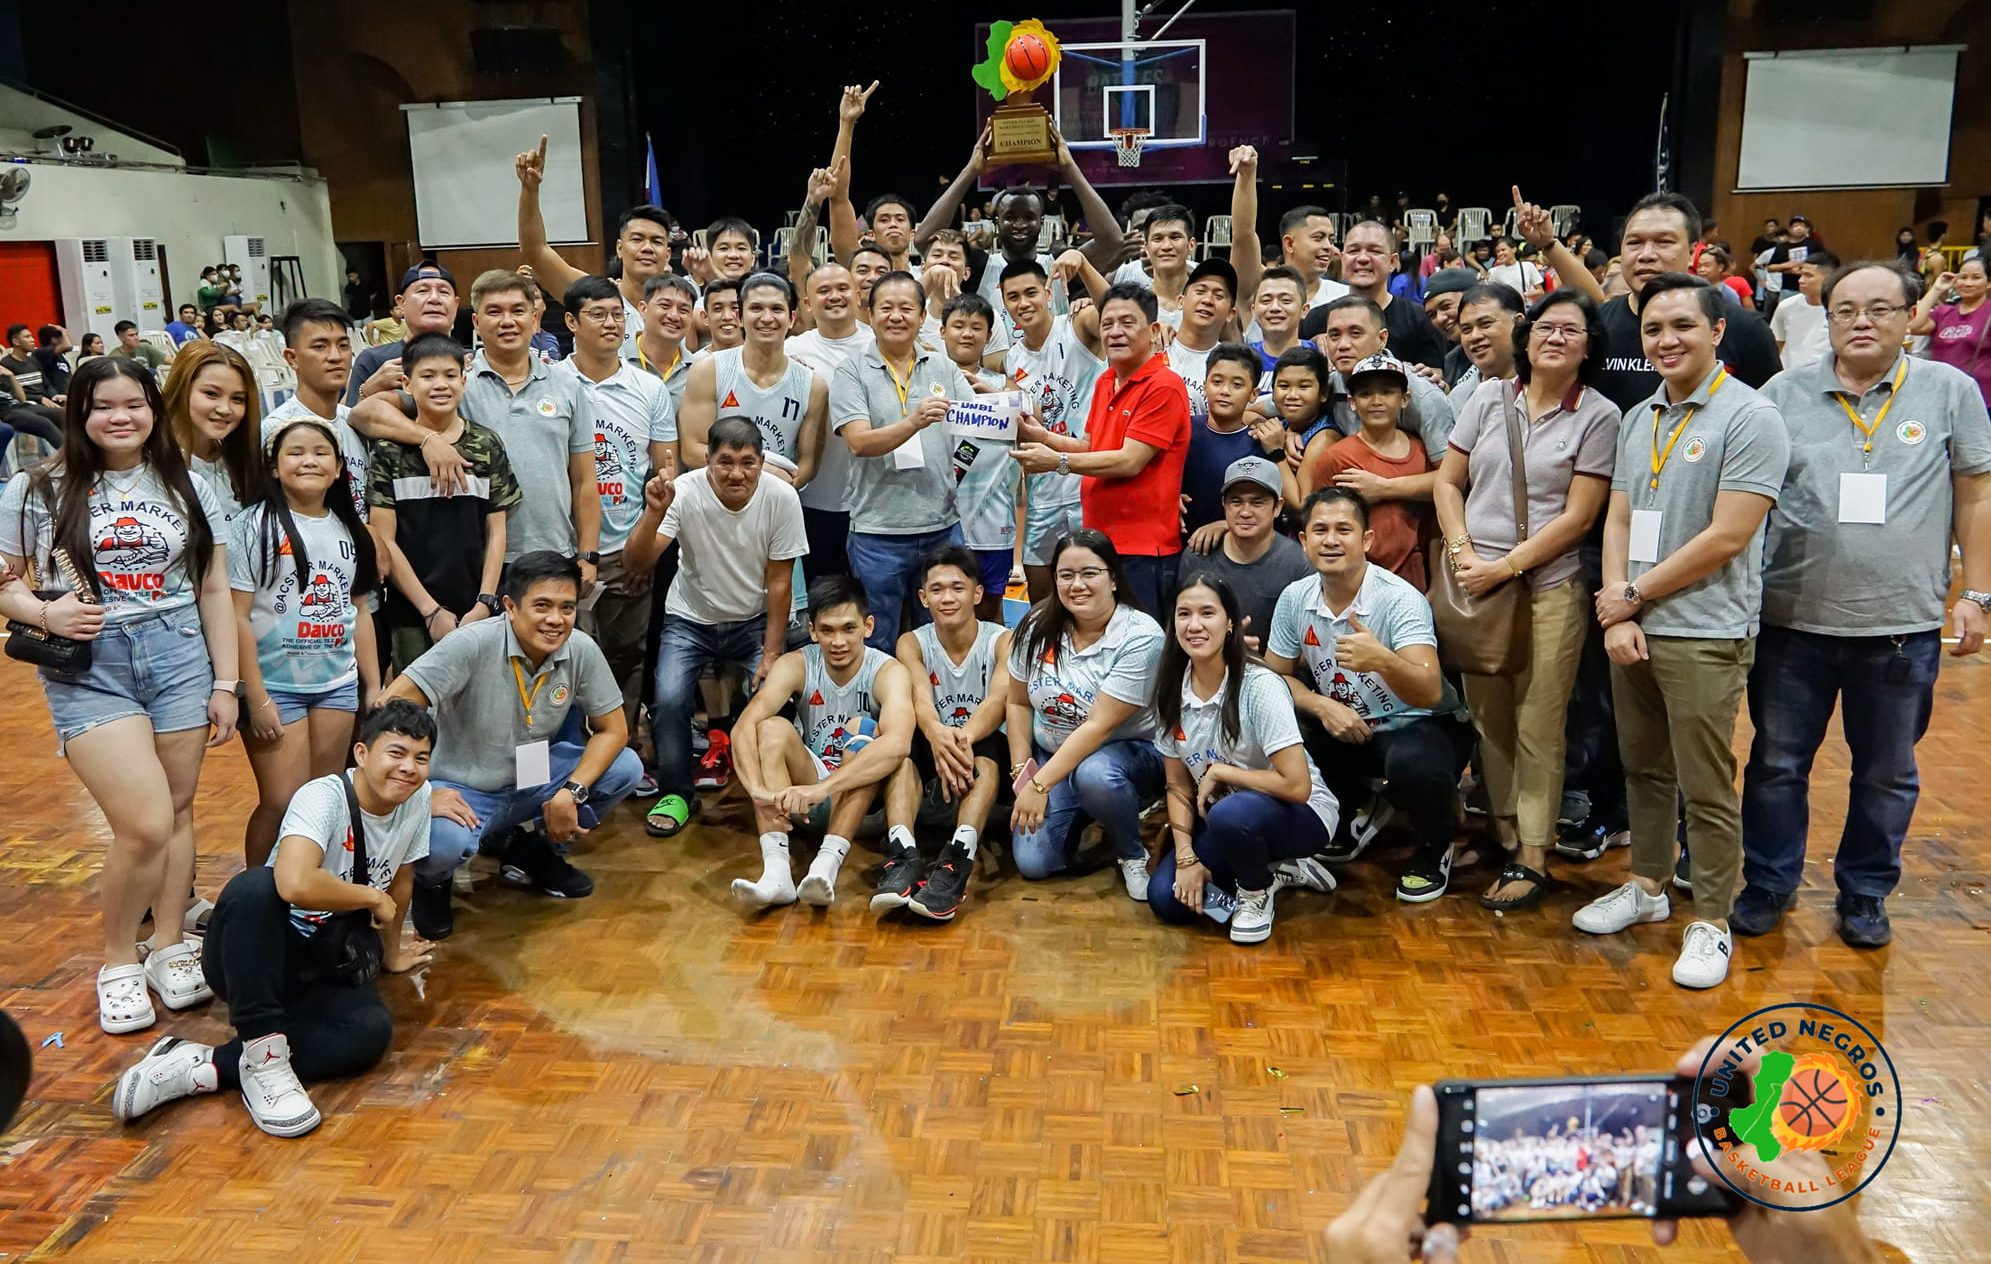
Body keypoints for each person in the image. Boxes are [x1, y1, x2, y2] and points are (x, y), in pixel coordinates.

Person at [1741, 262, 1991, 947]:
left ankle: (1864, 892)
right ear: (1826, 319)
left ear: (1911, 316)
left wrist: (1973, 592)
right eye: (1845, 309)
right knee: (1776, 764)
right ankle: (1766, 879)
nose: (1860, 321)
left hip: (1900, 629)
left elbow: (1975, 494)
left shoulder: (1948, 391)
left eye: (1879, 309)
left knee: (1885, 774)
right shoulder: (1781, 394)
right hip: (1790, 622)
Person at [0, 357, 239, 1034]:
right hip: (90, 667)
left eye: (133, 404)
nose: (120, 417)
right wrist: (45, 615)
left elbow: (214, 589)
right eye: (103, 405)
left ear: (154, 411)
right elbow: (4, 583)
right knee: (144, 822)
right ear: (78, 413)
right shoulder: (35, 487)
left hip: (178, 654)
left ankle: (167, 944)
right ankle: (117, 961)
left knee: (181, 808)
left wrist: (225, 683)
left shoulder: (187, 482)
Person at [108, 700, 445, 1138]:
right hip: (253, 955)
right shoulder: (322, 796)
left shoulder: (418, 799)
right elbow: (294, 883)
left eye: (420, 758)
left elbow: (402, 881)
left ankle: (204, 1065)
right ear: (361, 754)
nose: (409, 768)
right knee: (256, 888)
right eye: (396, 753)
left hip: (323, 962)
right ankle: (265, 1056)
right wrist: (368, 897)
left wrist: (392, 955)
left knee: (369, 1034)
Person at [1586, 274, 1790, 990]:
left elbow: (1727, 536)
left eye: (1681, 326)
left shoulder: (1749, 416)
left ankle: (1709, 919)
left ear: (1715, 331)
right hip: (1632, 621)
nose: (1665, 340)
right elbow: (1615, 516)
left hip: (1702, 629)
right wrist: (1616, 600)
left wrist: (1632, 594)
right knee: (1643, 769)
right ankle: (1645, 887)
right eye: (1651, 329)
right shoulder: (1640, 414)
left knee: (1704, 784)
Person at [1432, 289, 1621, 910]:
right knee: (1488, 716)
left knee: (1540, 722)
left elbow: (1580, 515)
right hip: (1476, 585)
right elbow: (1448, 481)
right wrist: (1463, 553)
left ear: (1589, 346)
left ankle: (1534, 854)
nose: (1555, 337)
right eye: (1545, 325)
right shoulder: (1488, 396)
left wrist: (1506, 566)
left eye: (1571, 329)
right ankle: (1504, 832)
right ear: (1526, 334)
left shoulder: (1598, 415)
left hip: (1547, 586)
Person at [382, 551, 643, 939]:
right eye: (542, 606)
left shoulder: (581, 649)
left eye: (567, 608)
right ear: (509, 606)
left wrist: (571, 792)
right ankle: (433, 883)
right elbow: (391, 706)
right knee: (442, 844)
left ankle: (534, 850)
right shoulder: (471, 643)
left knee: (626, 768)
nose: (556, 620)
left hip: (531, 774)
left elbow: (613, 729)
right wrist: (421, 793)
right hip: (462, 785)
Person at [1266, 488, 1468, 901]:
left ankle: (1435, 846)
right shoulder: (1294, 598)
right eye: (1319, 530)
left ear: (1367, 541)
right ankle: (1356, 807)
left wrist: (1384, 660)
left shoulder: (1398, 599)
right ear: (1303, 541)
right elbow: (1272, 678)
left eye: (1344, 529)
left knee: (1412, 763)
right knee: (1286, 724)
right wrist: (1320, 704)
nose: (1331, 540)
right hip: (1349, 723)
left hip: (1421, 723)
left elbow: (1430, 692)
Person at [623, 417, 806, 838]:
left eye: (747, 462)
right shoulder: (683, 492)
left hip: (752, 620)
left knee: (773, 695)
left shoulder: (780, 497)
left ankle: (766, 787)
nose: (736, 473)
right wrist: (654, 512)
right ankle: (677, 792)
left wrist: (772, 653)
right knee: (668, 700)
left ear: (762, 462)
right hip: (690, 618)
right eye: (724, 462)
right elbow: (637, 563)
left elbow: (780, 583)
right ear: (706, 461)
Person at [360, 270, 599, 583]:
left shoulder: (567, 386)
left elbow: (584, 480)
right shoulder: (457, 383)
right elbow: (364, 413)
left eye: (517, 311)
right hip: (480, 559)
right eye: (494, 312)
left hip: (553, 552)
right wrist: (428, 439)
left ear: (534, 318)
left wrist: (588, 555)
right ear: (475, 322)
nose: (507, 321)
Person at [1146, 575, 1338, 943]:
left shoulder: (1259, 685)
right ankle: (1284, 870)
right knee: (1165, 900)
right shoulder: (1171, 686)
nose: (1195, 625)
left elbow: (1298, 786)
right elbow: (1177, 784)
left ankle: (1255, 891)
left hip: (1301, 812)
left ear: (1230, 622)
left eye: (1207, 613)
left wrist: (1223, 771)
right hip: (1226, 819)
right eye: (1184, 614)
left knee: (1232, 814)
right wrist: (1186, 857)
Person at [728, 576, 915, 910]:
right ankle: (777, 873)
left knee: (864, 729)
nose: (838, 641)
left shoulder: (888, 671)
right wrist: (756, 789)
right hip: (807, 798)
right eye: (827, 631)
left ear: (868, 626)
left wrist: (825, 788)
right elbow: (743, 727)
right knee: (770, 727)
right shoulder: (795, 663)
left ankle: (826, 866)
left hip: (863, 804)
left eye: (848, 628)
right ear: (812, 631)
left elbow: (899, 744)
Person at [1012, 283, 1191, 619]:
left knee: (1142, 648)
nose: (1115, 332)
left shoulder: (1165, 385)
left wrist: (1057, 462)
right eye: (1107, 324)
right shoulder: (1106, 380)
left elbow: (1129, 461)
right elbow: (1092, 446)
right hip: (1099, 544)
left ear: (1153, 331)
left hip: (1144, 551)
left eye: (1127, 323)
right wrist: (1045, 437)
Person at [1004, 529, 1166, 897]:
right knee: (1033, 864)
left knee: (1096, 775)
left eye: (1090, 573)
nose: (1077, 585)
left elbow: (1098, 726)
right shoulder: (1035, 624)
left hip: (1127, 754)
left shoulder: (1141, 636)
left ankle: (1131, 852)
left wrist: (1041, 784)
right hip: (1053, 755)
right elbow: (1016, 702)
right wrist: (1022, 773)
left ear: (1112, 578)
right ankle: (1093, 815)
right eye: (1066, 575)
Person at [830, 271, 977, 649]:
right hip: (878, 534)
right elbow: (859, 442)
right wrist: (913, 421)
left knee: (944, 636)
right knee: (878, 638)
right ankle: (880, 710)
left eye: (906, 308)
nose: (896, 316)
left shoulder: (942, 364)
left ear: (922, 314)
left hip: (942, 528)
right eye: (886, 308)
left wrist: (955, 469)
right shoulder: (851, 370)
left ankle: (940, 708)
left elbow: (976, 423)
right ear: (869, 313)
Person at [553, 277, 674, 734]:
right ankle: (565, 754)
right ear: (571, 321)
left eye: (617, 315)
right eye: (597, 314)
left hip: (627, 550)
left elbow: (665, 473)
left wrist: (647, 546)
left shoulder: (649, 388)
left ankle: (619, 746)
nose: (610, 324)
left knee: (627, 656)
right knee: (560, 658)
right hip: (564, 549)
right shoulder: (552, 381)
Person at [875, 547, 1013, 921]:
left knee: (987, 745)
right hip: (932, 744)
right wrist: (936, 735)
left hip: (979, 753)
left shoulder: (1001, 639)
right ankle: (903, 852)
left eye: (957, 587)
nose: (947, 598)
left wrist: (956, 741)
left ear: (977, 594)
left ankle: (959, 857)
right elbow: (919, 698)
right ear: (923, 598)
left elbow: (997, 702)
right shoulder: (912, 642)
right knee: (901, 750)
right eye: (937, 590)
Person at [365, 334, 518, 668]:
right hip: (412, 613)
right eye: (427, 375)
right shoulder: (390, 451)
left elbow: (497, 532)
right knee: (416, 713)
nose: (440, 385)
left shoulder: (486, 444)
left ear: (464, 382)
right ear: (407, 383)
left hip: (476, 608)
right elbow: (384, 539)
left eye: (450, 375)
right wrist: (429, 610)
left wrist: (484, 601)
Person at [992, 257, 1104, 602]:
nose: (1023, 304)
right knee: (1041, 594)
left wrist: (1084, 264)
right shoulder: (1012, 359)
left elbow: (1120, 310)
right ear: (1004, 302)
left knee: (1095, 588)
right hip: (1043, 493)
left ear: (1047, 291)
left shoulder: (1078, 324)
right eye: (1013, 297)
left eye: (1030, 293)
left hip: (1090, 482)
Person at [515, 132, 674, 359]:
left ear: (668, 254)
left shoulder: (681, 307)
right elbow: (535, 251)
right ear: (620, 248)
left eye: (657, 241)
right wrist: (530, 191)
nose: (647, 248)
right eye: (637, 239)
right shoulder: (591, 293)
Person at [677, 273, 827, 494]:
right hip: (711, 504)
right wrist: (762, 471)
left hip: (775, 506)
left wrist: (775, 490)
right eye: (756, 308)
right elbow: (691, 450)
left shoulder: (813, 386)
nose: (767, 318)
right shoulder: (708, 371)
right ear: (739, 317)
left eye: (776, 309)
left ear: (792, 318)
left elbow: (807, 465)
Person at [1307, 352, 1433, 589]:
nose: (1376, 400)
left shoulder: (1421, 452)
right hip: (1357, 584)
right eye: (1365, 394)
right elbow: (1318, 521)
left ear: (1405, 398)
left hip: (1417, 582)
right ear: (1352, 402)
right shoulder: (1336, 458)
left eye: (1387, 392)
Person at [785, 253, 876, 578]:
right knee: (821, 599)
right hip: (814, 499)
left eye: (842, 288)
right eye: (824, 291)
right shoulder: (791, 352)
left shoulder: (882, 345)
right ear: (808, 303)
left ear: (858, 294)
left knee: (873, 604)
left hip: (875, 502)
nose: (834, 296)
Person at [934, 291, 1021, 617]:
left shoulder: (1004, 384)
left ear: (988, 335)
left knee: (989, 609)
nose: (967, 333)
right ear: (943, 332)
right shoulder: (925, 380)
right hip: (938, 519)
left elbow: (1035, 421)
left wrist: (996, 396)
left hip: (992, 520)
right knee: (940, 607)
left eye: (976, 327)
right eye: (958, 326)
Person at [1180, 457, 1313, 650]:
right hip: (1208, 666)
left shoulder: (1298, 563)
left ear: (1277, 507)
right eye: (1236, 502)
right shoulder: (1198, 555)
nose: (1245, 512)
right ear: (1224, 505)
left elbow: (1309, 643)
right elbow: (1178, 629)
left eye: (1257, 502)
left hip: (1276, 671)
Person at [262, 299, 371, 526]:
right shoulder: (277, 429)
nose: (335, 356)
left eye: (343, 346)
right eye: (320, 346)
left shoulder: (352, 421)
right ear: (292, 358)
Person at [1300, 221, 1449, 372]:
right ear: (1343, 258)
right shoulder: (1315, 320)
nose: (1363, 258)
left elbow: (1435, 383)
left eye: (1375, 251)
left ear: (1393, 261)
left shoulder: (1419, 320)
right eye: (1353, 251)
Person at [1226, 146, 1347, 329]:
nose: (1328, 246)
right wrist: (1247, 175)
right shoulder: (1259, 285)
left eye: (1330, 239)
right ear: (1289, 243)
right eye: (1318, 237)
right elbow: (1243, 235)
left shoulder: (1345, 296)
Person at [1181, 343, 1287, 536]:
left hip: (1241, 549)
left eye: (1237, 385)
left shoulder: (1260, 442)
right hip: (1183, 546)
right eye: (1217, 382)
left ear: (1254, 394)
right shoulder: (1183, 429)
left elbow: (1273, 510)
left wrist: (1226, 525)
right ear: (1204, 386)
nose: (1225, 391)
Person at [163, 341, 262, 529]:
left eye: (237, 399)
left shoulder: (242, 461)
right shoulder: (154, 464)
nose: (225, 409)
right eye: (211, 394)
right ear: (182, 389)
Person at [344, 263, 459, 406]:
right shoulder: (373, 360)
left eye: (444, 292)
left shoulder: (470, 362)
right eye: (423, 291)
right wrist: (367, 390)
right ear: (401, 304)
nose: (434, 299)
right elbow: (347, 422)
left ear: (455, 305)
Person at [1163, 259, 1238, 429]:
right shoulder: (1154, 346)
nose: (1208, 300)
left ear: (1230, 313)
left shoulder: (1233, 365)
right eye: (1200, 291)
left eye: (1219, 296)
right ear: (1181, 301)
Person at [1911, 256, 1991, 407]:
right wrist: (1936, 289)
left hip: (1982, 398)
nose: (1968, 283)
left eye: (1976, 278)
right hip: (1942, 394)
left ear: (1988, 283)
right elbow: (1914, 325)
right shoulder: (1944, 312)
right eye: (1963, 277)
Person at [1446, 282, 1525, 409]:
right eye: (1466, 330)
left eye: (1485, 324)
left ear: (1518, 323)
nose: (1474, 336)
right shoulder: (1458, 398)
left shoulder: (1547, 379)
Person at [1769, 249, 1838, 372]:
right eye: (1801, 274)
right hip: (1788, 376)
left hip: (1824, 376)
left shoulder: (1841, 311)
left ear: (1830, 278)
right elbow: (1777, 344)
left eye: (1808, 276)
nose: (1801, 280)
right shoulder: (1786, 306)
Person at [1486, 238, 1544, 302]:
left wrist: (1525, 295)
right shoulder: (1493, 272)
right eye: (1498, 251)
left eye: (1503, 250)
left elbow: (1540, 291)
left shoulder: (1528, 266)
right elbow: (1491, 295)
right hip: (1504, 309)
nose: (1500, 253)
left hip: (1524, 307)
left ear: (1514, 249)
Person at [106, 321, 172, 373]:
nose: (136, 338)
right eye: (131, 335)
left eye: (136, 334)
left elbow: (171, 361)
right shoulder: (115, 357)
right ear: (121, 337)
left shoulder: (144, 347)